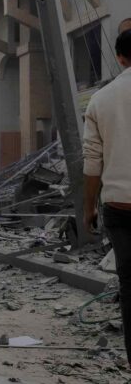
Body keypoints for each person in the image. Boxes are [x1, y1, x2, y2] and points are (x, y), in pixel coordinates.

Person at [83, 29, 131, 365]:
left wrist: (89, 208)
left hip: (120, 206)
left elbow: (92, 163)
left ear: (119, 57)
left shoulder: (101, 99)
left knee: (129, 290)